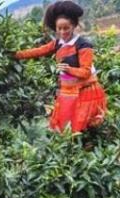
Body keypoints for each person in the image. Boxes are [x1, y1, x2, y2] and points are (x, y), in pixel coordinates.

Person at [14, 1, 107, 134]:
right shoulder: (58, 43)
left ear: (74, 26)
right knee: (64, 130)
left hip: (85, 91)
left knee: (79, 130)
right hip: (68, 92)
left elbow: (86, 72)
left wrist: (69, 69)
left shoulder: (83, 45)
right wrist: (16, 55)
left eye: (66, 28)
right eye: (59, 29)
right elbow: (39, 51)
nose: (62, 32)